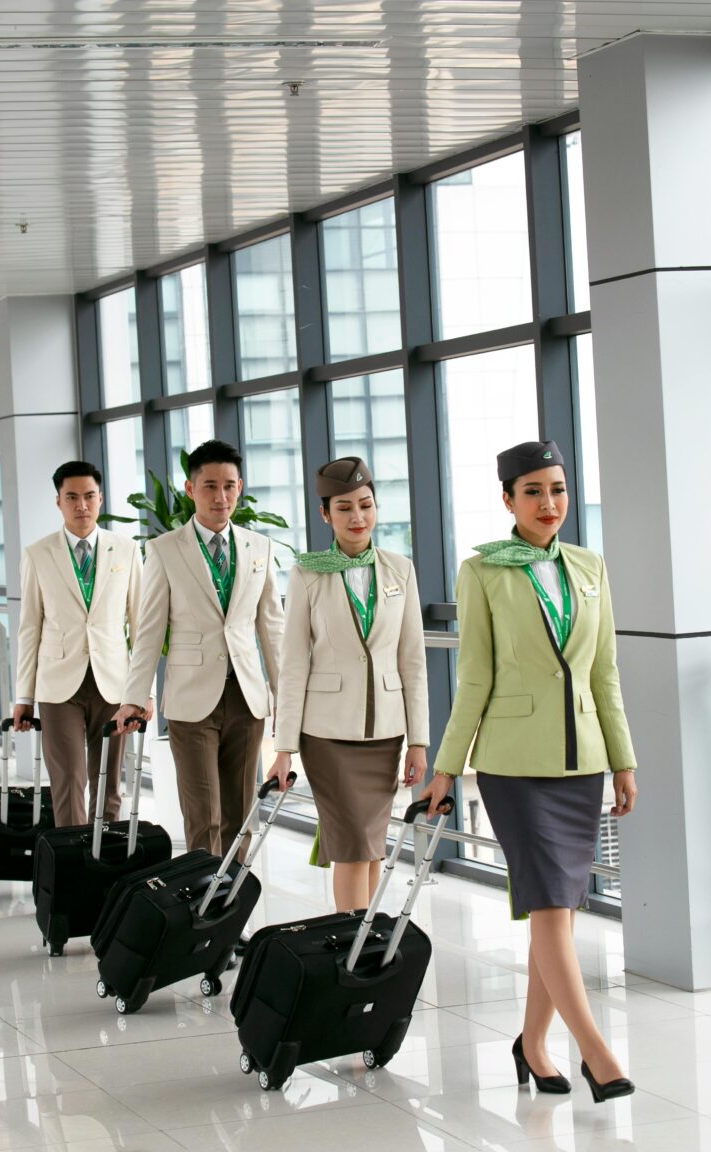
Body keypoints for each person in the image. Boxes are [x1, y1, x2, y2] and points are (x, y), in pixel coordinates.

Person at [420, 440, 638, 1104]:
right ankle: (597, 1052)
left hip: (582, 763)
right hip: (514, 765)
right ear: (509, 499)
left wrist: (623, 761)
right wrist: (445, 768)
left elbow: (604, 673)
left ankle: (533, 1045)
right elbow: (475, 675)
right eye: (535, 491)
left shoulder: (589, 564)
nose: (550, 504)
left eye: (559, 490)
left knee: (560, 910)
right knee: (549, 902)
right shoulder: (482, 571)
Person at [267, 456, 429, 913]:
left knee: (371, 845)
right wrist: (283, 748)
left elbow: (412, 660)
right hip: (327, 735)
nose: (358, 517)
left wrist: (418, 740)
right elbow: (293, 663)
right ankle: (350, 947)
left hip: (386, 733)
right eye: (344, 508)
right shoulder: (307, 573)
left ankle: (363, 938)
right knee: (356, 844)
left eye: (366, 505)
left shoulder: (401, 570)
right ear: (325, 514)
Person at [112, 439, 284, 865]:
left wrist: (288, 699)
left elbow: (273, 631)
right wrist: (135, 697)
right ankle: (203, 912)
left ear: (240, 487)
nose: (220, 497)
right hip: (192, 700)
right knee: (203, 816)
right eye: (209, 486)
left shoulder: (258, 548)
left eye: (229, 486)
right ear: (190, 490)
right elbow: (148, 630)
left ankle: (231, 909)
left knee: (242, 815)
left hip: (246, 698)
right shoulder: (166, 549)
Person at [14, 461, 150, 827]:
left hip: (114, 685)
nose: (82, 506)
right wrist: (24, 698)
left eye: (89, 496)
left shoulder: (126, 551)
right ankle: (72, 874)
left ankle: (106, 867)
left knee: (109, 786)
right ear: (58, 502)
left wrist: (143, 692)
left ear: (101, 499)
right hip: (58, 686)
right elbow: (29, 628)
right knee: (69, 781)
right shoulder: (38, 555)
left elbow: (142, 626)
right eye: (72, 497)